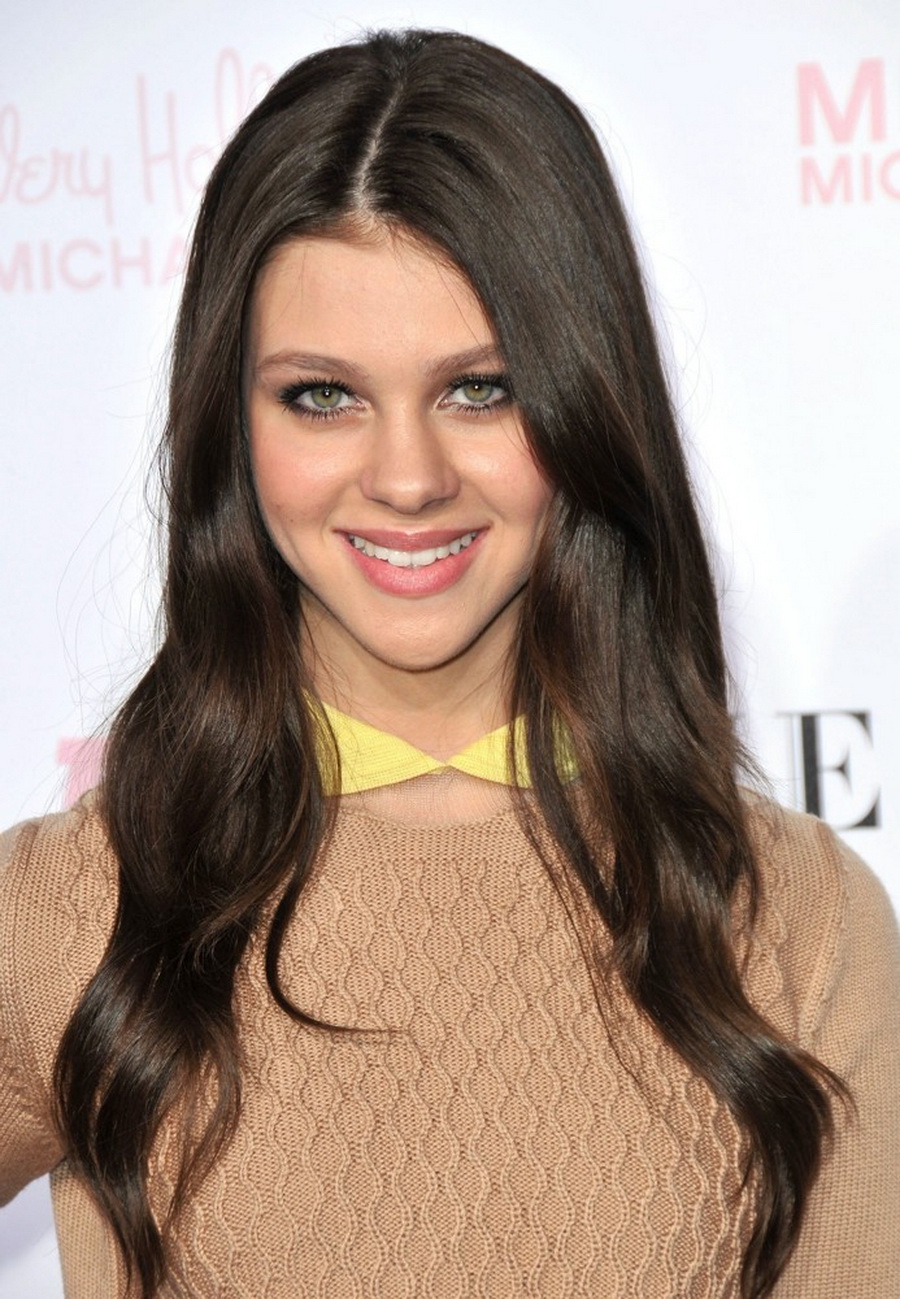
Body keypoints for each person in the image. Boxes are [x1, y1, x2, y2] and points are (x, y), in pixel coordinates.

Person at [0, 27, 897, 1299]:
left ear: (586, 406)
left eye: (481, 390)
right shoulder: (71, 910)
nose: (409, 478)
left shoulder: (794, 918)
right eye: (322, 395)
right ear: (229, 426)